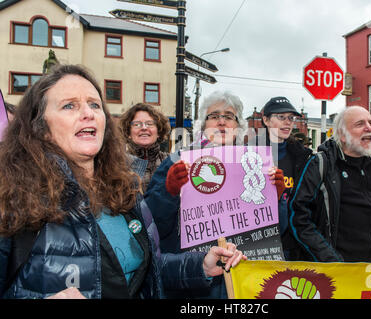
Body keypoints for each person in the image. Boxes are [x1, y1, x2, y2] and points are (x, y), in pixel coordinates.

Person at [0, 65, 246, 299]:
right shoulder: (11, 196)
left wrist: (201, 265)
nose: (87, 113)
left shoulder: (124, 190)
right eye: (69, 106)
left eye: (95, 105)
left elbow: (151, 269)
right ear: (40, 126)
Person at [145, 90, 285, 298]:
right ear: (203, 124)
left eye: (229, 116)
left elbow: (278, 230)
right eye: (214, 116)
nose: (221, 122)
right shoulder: (178, 160)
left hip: (241, 280)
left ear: (238, 126)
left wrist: (277, 197)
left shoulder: (255, 163)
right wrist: (169, 192)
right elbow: (153, 225)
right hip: (194, 285)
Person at [289, 106, 371, 262]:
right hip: (341, 270)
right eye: (360, 124)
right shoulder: (321, 164)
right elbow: (298, 216)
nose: (369, 128)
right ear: (342, 135)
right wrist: (329, 259)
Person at [256, 97, 312, 260]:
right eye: (281, 117)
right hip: (260, 247)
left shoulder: (302, 156)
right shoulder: (249, 155)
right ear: (265, 120)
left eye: (291, 118)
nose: (287, 122)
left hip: (293, 247)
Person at [119, 103, 170, 188]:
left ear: (158, 132)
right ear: (128, 133)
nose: (144, 128)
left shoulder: (170, 163)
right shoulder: (117, 165)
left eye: (149, 124)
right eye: (137, 124)